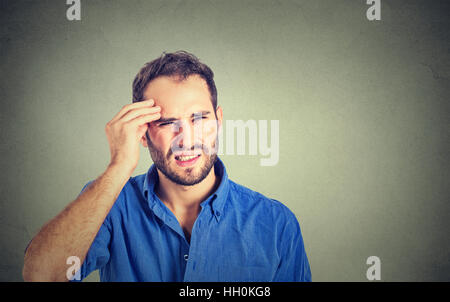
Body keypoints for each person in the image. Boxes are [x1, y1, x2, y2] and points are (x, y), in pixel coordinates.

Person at [22, 51, 311, 282]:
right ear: (143, 133)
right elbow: (41, 276)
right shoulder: (109, 205)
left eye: (199, 119)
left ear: (219, 120)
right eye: (166, 123)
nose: (186, 139)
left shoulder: (276, 224)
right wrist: (118, 166)